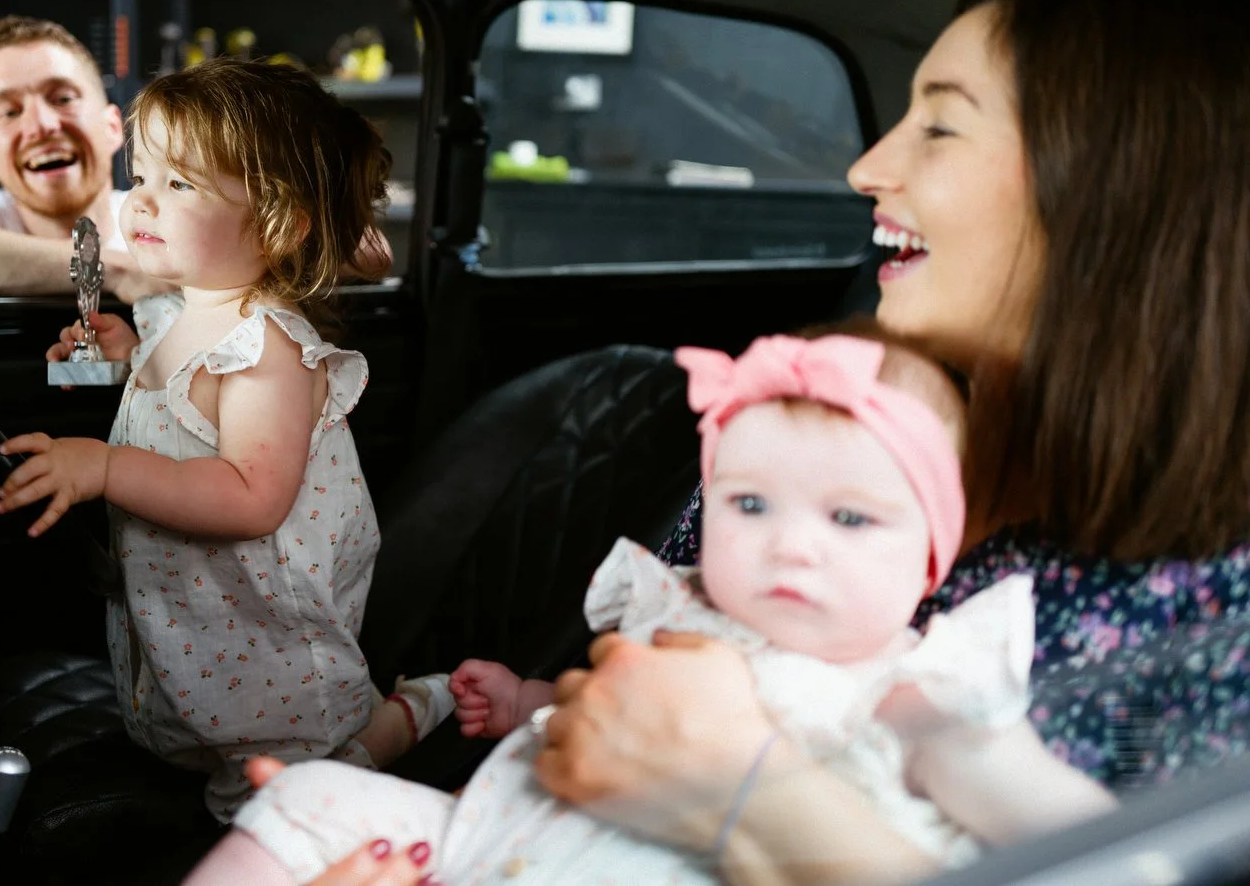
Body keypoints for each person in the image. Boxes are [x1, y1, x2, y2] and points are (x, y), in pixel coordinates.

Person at [279, 0, 1250, 885]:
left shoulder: (1218, 628)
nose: (868, 167)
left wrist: (748, 800)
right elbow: (614, 714)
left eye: (941, 128)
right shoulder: (815, 430)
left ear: (1121, 189)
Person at [181, 331, 1116, 885]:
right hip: (480, 844)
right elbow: (607, 715)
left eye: (850, 517)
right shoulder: (687, 614)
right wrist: (526, 703)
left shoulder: (917, 693)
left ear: (931, 555)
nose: (791, 543)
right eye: (749, 505)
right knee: (305, 796)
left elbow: (1103, 850)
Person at [0, 58, 451, 824]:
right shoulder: (176, 313)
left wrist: (105, 468)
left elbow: (252, 495)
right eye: (144, 176)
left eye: (181, 184)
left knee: (283, 799)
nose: (142, 199)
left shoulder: (269, 347)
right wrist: (115, 366)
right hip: (201, 626)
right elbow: (172, 418)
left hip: (268, 652)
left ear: (277, 221)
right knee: (199, 741)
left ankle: (408, 717)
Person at [0, 16, 391, 302]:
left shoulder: (172, 214)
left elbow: (368, 250)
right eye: (8, 112)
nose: (43, 125)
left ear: (110, 126)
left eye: (62, 97)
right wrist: (108, 269)